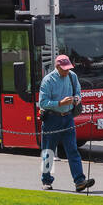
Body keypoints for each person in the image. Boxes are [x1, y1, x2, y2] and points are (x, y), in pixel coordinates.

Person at [38, 55, 95, 192]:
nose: (67, 71)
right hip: (52, 119)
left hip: (68, 118)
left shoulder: (72, 76)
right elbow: (43, 103)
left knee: (72, 150)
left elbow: (78, 93)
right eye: (64, 69)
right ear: (57, 67)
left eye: (68, 68)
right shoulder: (48, 80)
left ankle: (79, 181)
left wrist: (76, 100)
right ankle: (46, 181)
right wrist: (60, 103)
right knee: (48, 152)